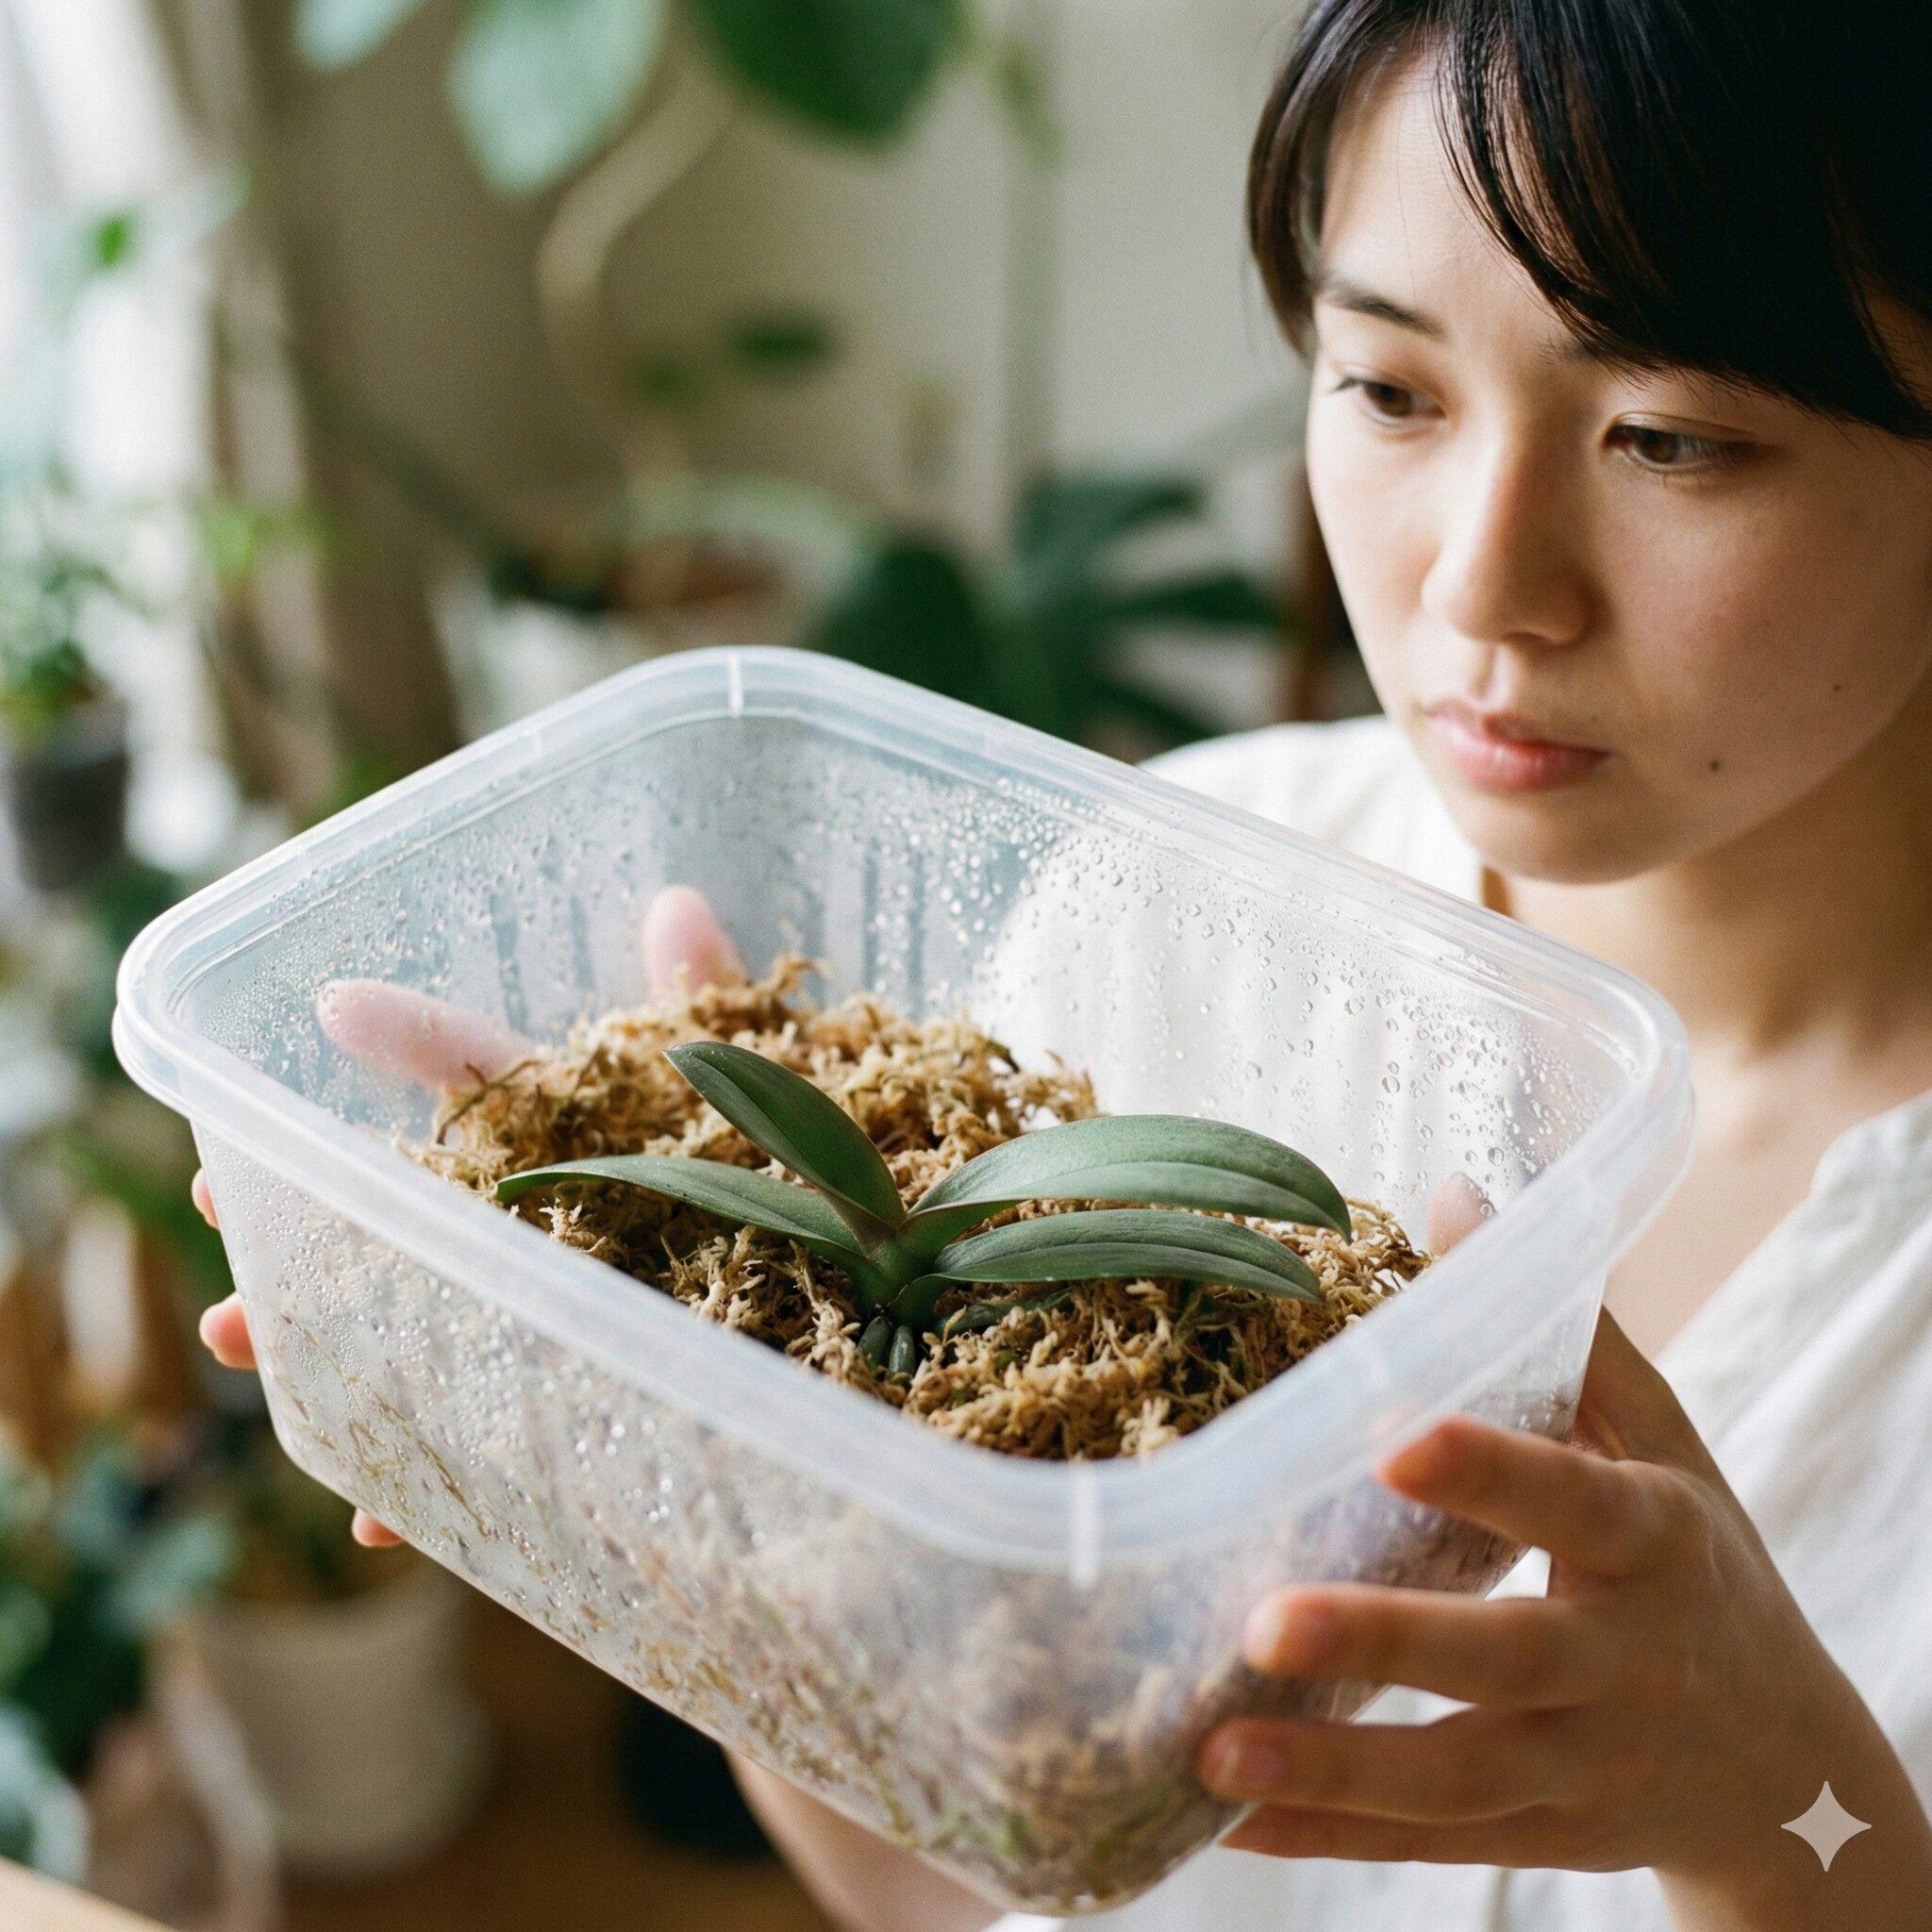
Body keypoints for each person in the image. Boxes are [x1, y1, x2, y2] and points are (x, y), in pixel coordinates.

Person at [192, 0, 1932, 1925]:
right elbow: (980, 1891)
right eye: (1388, 389)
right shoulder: (1173, 910)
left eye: (1668, 436)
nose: (1477, 585)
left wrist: (1782, 1801)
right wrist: (725, 1548)